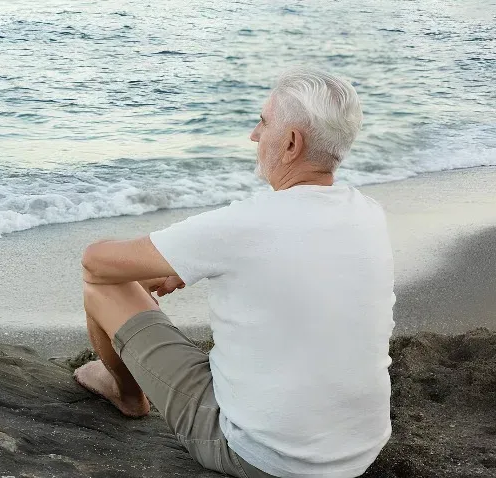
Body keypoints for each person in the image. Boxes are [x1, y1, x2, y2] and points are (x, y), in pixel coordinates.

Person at [74, 68, 395, 478]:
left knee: (105, 284)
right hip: (359, 449)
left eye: (264, 122)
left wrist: (180, 260)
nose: (254, 135)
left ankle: (127, 394)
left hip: (265, 457)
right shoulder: (368, 214)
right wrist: (187, 265)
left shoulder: (246, 224)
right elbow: (287, 258)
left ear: (292, 142)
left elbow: (95, 260)